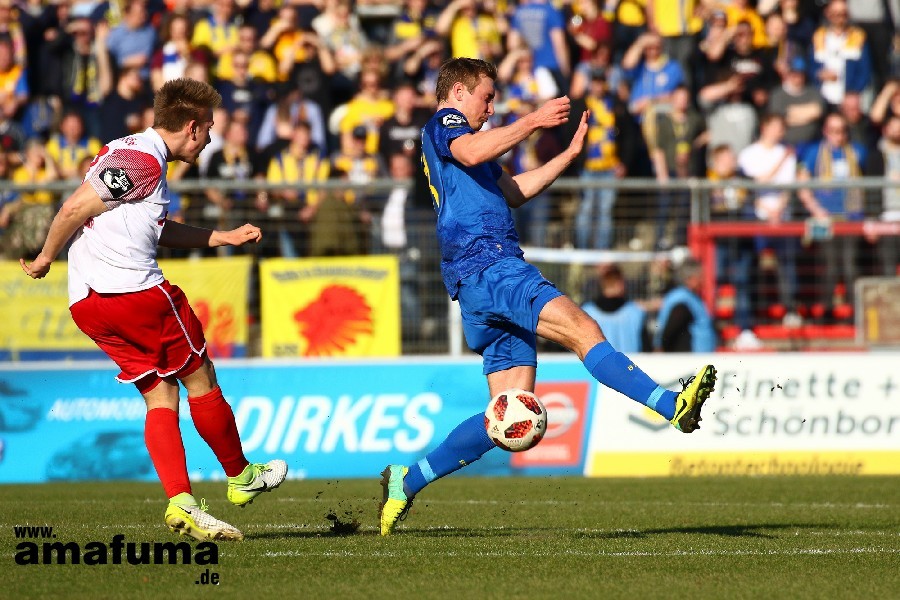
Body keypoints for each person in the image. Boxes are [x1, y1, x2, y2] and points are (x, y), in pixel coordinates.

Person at [379, 58, 717, 536]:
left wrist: (567, 157)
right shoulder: (445, 123)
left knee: (509, 417)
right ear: (457, 93)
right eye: (486, 97)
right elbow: (474, 152)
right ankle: (669, 405)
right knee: (584, 331)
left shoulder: (466, 142)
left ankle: (407, 480)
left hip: (475, 278)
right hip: (490, 263)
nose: (491, 107)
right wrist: (534, 120)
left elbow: (513, 191)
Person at [19, 78, 287, 542]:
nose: (209, 139)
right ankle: (240, 476)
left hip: (90, 303)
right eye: (208, 129)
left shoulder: (132, 153)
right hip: (136, 294)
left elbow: (151, 226)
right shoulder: (141, 160)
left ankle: (181, 502)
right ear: (192, 127)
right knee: (200, 377)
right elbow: (71, 209)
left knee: (159, 395)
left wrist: (220, 237)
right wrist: (45, 257)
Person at [654, 258, 718, 353]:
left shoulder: (687, 297)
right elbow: (669, 331)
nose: (703, 281)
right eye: (700, 277)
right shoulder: (682, 301)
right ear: (690, 279)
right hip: (689, 359)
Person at [581, 264, 648, 353]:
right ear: (620, 284)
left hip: (596, 365)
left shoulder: (586, 312)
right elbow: (647, 348)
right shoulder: (636, 312)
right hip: (629, 365)